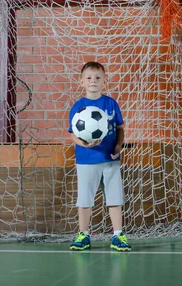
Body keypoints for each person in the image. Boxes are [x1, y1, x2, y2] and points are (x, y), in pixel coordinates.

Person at [68, 61, 131, 252]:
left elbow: (120, 128)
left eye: (97, 78)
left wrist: (119, 146)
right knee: (85, 199)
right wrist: (83, 143)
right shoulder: (78, 107)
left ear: (104, 81)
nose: (93, 81)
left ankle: (118, 234)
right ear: (81, 82)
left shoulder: (111, 103)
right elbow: (72, 132)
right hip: (87, 160)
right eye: (89, 78)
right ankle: (83, 234)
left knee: (114, 198)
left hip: (110, 159)